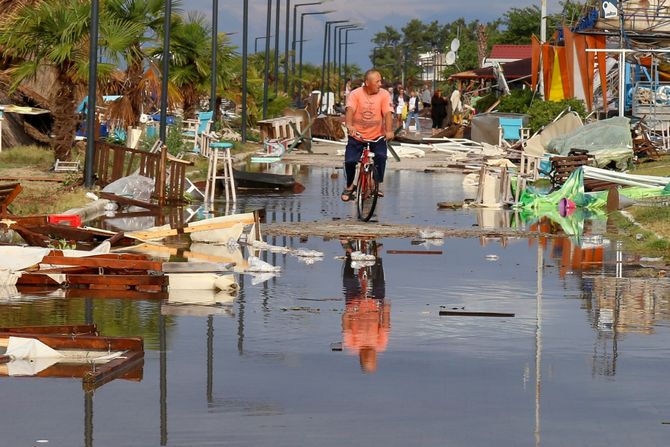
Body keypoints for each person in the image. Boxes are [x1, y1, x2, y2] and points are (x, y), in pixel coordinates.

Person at [342, 69, 394, 202]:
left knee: (381, 157)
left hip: (377, 135)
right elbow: (350, 110)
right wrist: (350, 125)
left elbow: (388, 113)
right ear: (367, 83)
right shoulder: (355, 94)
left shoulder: (384, 94)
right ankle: (349, 186)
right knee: (350, 161)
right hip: (357, 135)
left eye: (380, 81)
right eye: (377, 81)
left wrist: (389, 131)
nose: (380, 84)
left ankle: (375, 184)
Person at [340, 240, 389, 373]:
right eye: (372, 359)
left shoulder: (352, 345)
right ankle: (377, 255)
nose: (371, 356)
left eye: (369, 359)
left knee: (349, 281)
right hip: (374, 305)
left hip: (354, 305)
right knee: (379, 286)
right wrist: (386, 309)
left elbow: (346, 326)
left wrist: (348, 312)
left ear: (361, 358)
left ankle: (349, 251)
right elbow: (385, 325)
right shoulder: (380, 345)